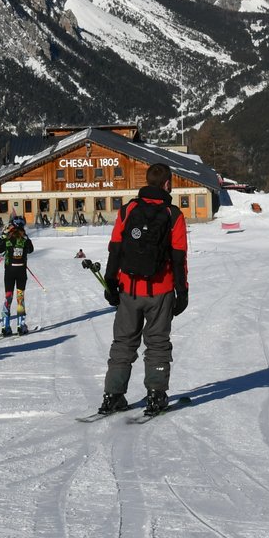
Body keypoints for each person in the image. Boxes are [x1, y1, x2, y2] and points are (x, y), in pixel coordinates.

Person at [97, 162, 189, 416]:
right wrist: (183, 292)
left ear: (147, 182)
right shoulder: (174, 215)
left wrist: (110, 282)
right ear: (167, 184)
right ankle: (156, 395)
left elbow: (115, 247)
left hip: (128, 288)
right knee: (157, 343)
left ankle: (113, 395)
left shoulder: (129, 209)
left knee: (123, 342)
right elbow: (179, 257)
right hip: (161, 290)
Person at [0, 214, 34, 336]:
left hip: (9, 271)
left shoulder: (7, 237)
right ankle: (20, 325)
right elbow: (31, 249)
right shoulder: (24, 238)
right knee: (20, 297)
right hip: (21, 271)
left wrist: (3, 235)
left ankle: (5, 326)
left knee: (8, 297)